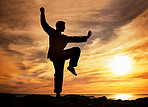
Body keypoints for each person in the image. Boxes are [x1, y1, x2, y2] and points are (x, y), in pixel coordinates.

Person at [40, 7, 92, 98]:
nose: (65, 27)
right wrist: (42, 13)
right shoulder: (52, 32)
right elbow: (44, 24)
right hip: (56, 57)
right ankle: (58, 93)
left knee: (76, 50)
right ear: (59, 26)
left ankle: (71, 66)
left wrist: (85, 38)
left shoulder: (64, 37)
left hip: (62, 55)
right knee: (58, 74)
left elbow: (74, 38)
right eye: (64, 26)